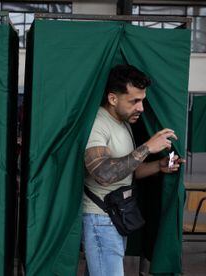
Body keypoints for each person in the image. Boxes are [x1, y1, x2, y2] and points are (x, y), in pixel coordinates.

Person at [82, 64, 184, 276]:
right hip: (101, 219)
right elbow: (102, 174)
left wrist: (158, 166)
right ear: (112, 99)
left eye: (142, 100)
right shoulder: (98, 124)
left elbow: (128, 171)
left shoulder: (123, 122)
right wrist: (147, 147)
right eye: (134, 101)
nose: (141, 108)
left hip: (117, 216)